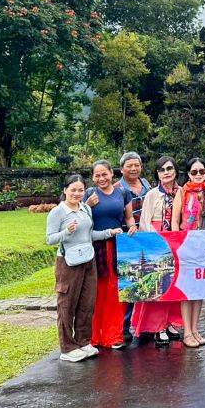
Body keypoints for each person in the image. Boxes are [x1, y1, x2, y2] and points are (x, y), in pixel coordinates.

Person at [47, 174, 122, 362]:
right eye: (73, 190)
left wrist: (109, 232)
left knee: (87, 303)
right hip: (68, 262)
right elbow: (50, 239)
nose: (77, 193)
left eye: (80, 190)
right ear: (65, 190)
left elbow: (90, 235)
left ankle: (83, 341)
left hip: (88, 259)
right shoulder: (58, 212)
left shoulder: (86, 209)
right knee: (67, 305)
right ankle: (67, 348)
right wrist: (66, 232)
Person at [131, 157, 186, 345]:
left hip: (177, 240)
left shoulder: (182, 192)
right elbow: (144, 221)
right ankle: (158, 326)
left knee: (174, 284)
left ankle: (171, 322)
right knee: (159, 283)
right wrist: (158, 241)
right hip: (157, 241)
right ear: (157, 174)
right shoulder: (153, 194)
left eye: (169, 168)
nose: (166, 172)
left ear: (176, 171)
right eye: (162, 170)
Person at [85, 161, 137, 350]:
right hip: (96, 247)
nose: (101, 178)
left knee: (116, 290)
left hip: (118, 246)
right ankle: (95, 337)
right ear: (93, 177)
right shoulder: (89, 194)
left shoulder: (122, 193)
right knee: (97, 291)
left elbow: (128, 217)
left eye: (104, 174)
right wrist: (87, 205)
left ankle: (114, 335)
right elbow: (80, 219)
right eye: (97, 175)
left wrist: (132, 226)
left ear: (111, 174)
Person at [172, 157, 205, 348]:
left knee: (199, 289)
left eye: (201, 171)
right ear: (188, 174)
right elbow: (175, 220)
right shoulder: (182, 192)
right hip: (186, 243)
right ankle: (187, 331)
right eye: (194, 172)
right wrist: (177, 243)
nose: (198, 175)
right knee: (187, 289)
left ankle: (195, 329)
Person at [117, 151, 150, 339]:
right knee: (128, 283)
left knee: (147, 282)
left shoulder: (146, 185)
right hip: (126, 241)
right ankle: (124, 326)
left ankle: (145, 325)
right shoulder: (117, 189)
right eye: (129, 165)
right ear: (122, 169)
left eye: (136, 165)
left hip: (146, 239)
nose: (133, 168)